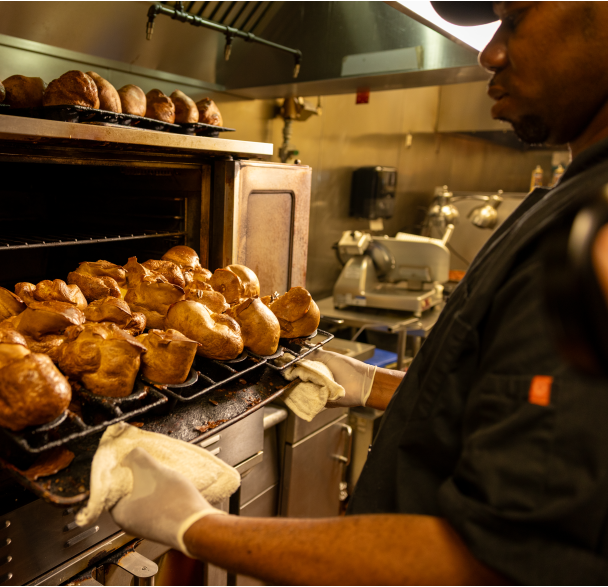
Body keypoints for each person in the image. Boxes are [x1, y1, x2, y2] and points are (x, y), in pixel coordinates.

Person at [108, 1, 608, 584]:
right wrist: (380, 386)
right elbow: (519, 423)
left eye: (515, 17)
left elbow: (495, 561)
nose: (490, 52)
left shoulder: (594, 235)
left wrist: (196, 527)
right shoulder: (571, 203)